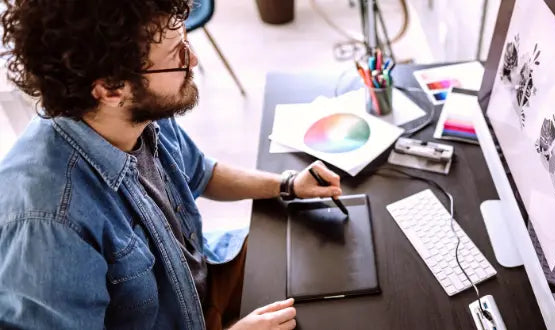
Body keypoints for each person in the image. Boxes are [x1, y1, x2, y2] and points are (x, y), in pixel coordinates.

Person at [0, 1, 342, 329]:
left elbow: (201, 172)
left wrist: (288, 185)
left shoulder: (137, 111)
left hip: (202, 282)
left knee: (323, 260)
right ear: (110, 88)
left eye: (185, 42)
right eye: (177, 55)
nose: (192, 61)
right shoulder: (47, 222)